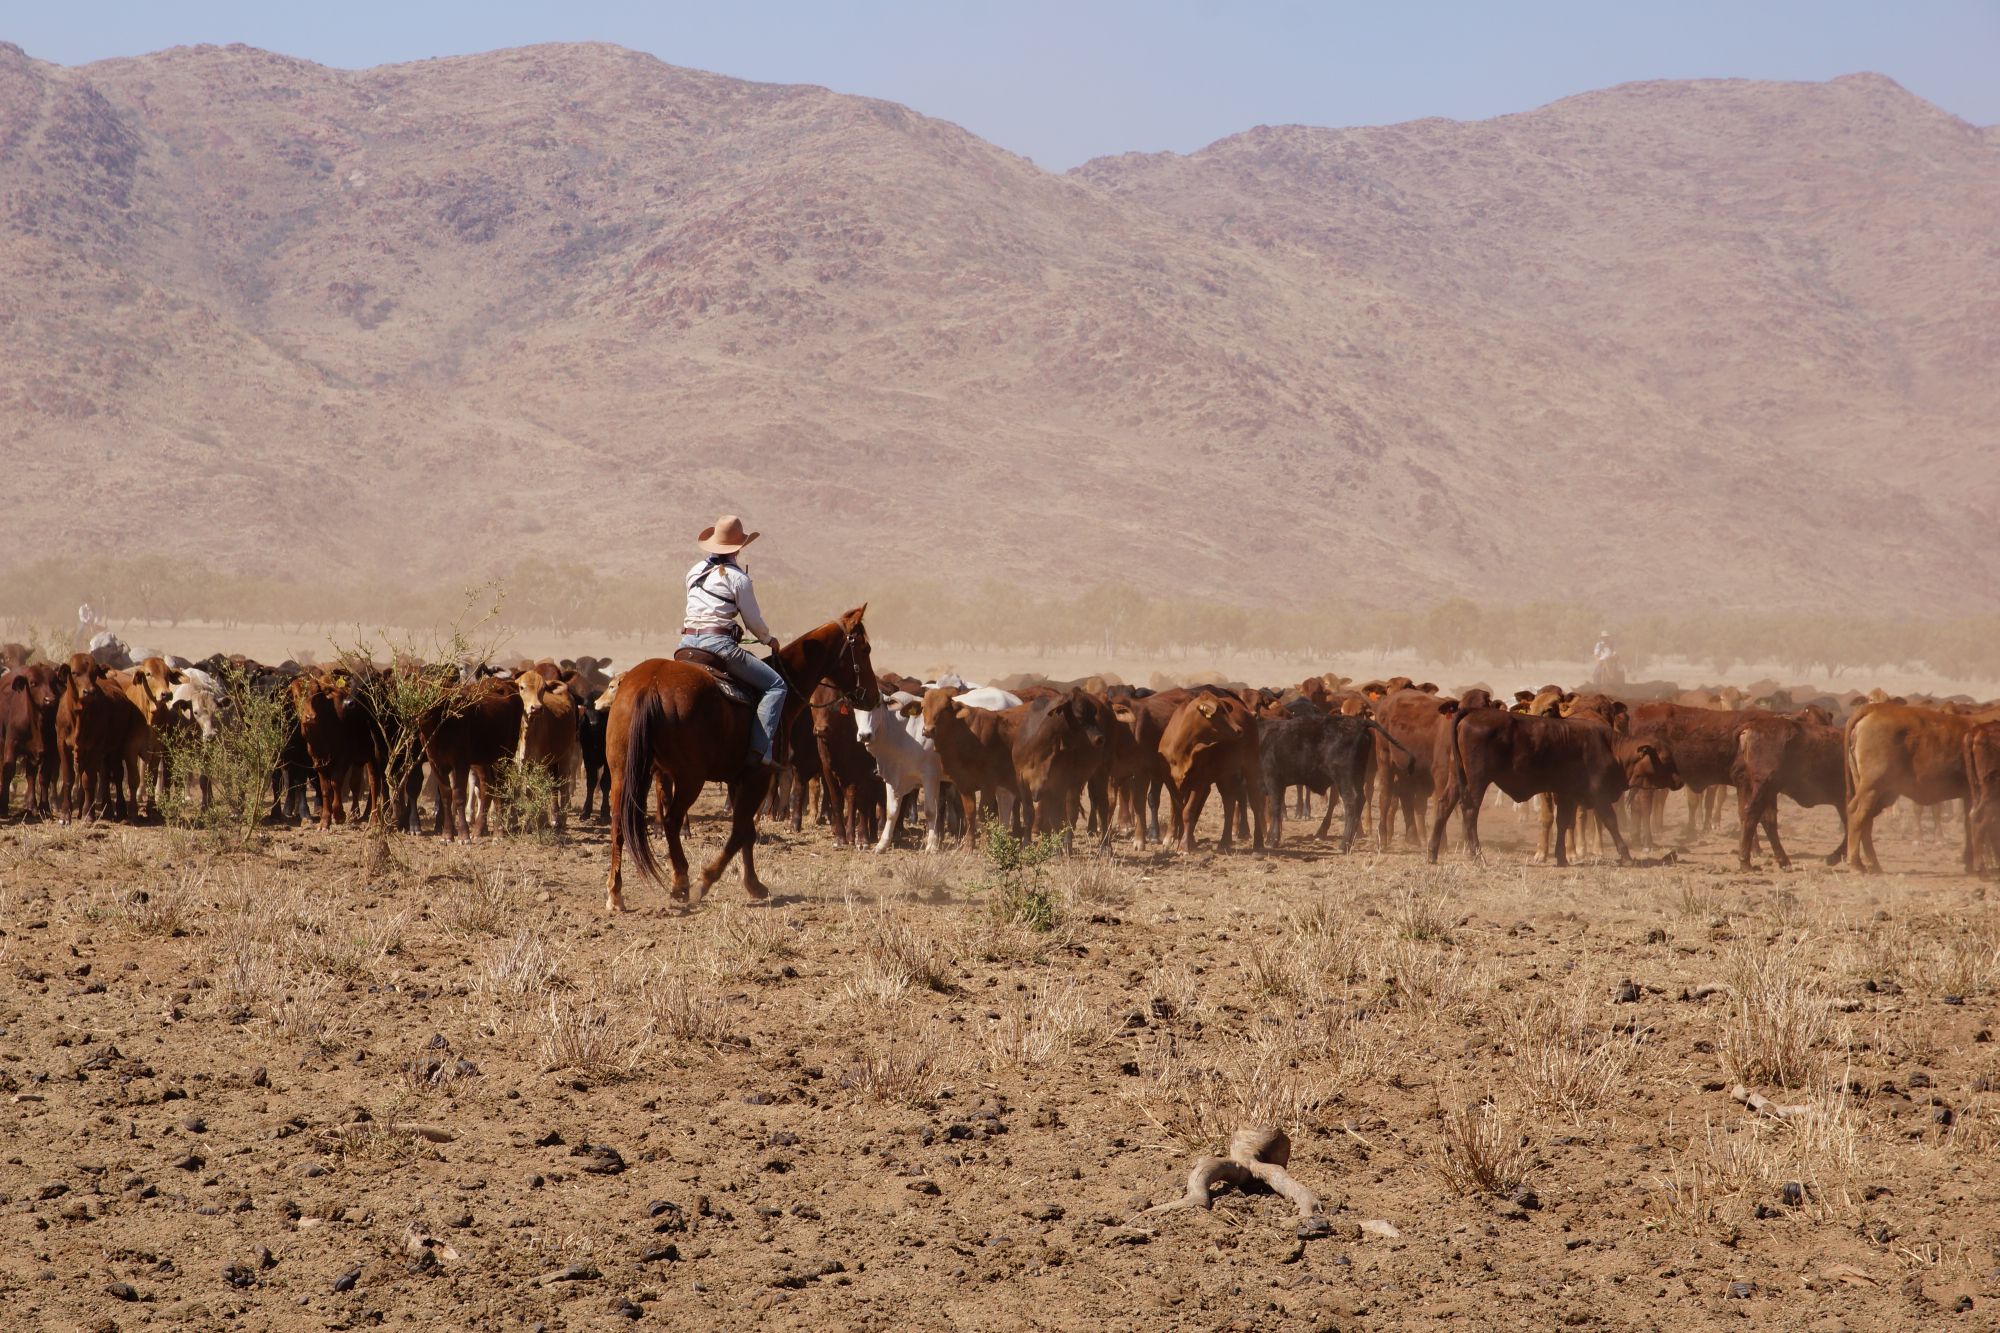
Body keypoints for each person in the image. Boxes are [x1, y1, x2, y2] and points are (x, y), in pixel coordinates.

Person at [680, 514, 787, 768]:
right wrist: (769, 640)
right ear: (739, 547)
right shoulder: (739, 578)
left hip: (686, 645)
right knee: (776, 686)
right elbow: (753, 621)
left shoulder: (694, 571)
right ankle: (759, 753)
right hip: (718, 646)